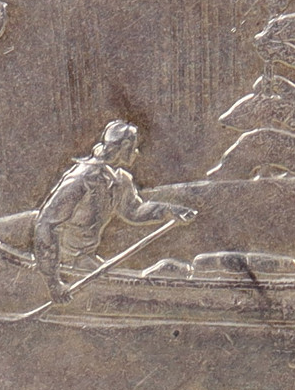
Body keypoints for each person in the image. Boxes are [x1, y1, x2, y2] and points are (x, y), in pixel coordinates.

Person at [33, 120, 196, 302]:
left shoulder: (120, 179)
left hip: (87, 261)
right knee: (134, 287)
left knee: (162, 270)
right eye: (134, 147)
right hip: (66, 265)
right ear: (125, 146)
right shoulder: (82, 179)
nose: (136, 152)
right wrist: (53, 282)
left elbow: (134, 210)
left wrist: (170, 210)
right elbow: (45, 224)